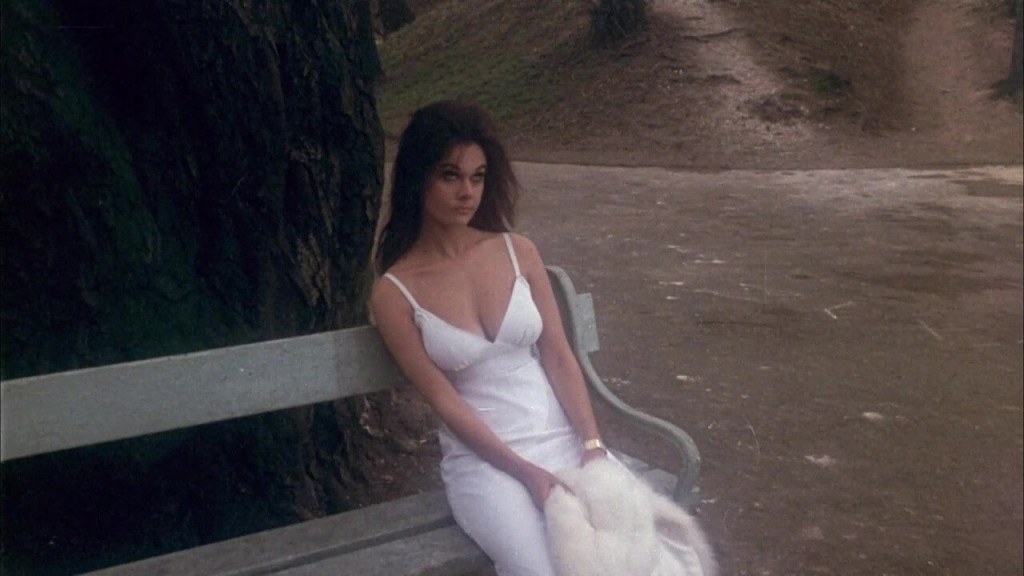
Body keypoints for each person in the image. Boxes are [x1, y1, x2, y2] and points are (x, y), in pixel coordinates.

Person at [371, 100, 608, 576]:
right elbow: (445, 402)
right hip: (486, 464)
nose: (467, 193)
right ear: (418, 178)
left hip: (562, 438)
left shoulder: (518, 250)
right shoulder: (394, 292)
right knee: (539, 569)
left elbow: (558, 355)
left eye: (477, 177)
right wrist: (525, 471)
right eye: (450, 176)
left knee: (637, 555)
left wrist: (592, 445)